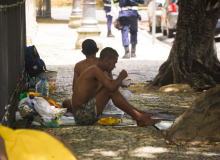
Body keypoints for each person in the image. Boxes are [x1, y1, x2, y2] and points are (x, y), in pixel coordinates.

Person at [72, 47, 160, 126]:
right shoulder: (95, 69)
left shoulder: (96, 69)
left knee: (110, 89)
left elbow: (111, 83)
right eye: (114, 63)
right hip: (82, 115)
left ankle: (138, 114)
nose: (114, 66)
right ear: (107, 60)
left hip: (84, 113)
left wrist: (120, 82)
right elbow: (111, 87)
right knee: (110, 90)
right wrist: (121, 77)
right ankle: (139, 118)